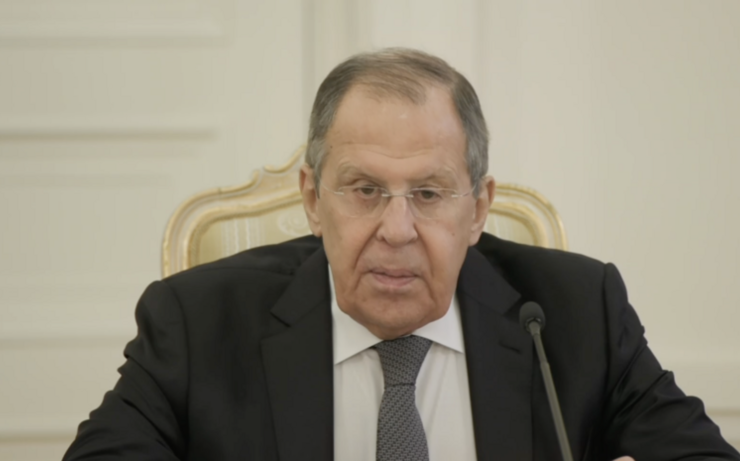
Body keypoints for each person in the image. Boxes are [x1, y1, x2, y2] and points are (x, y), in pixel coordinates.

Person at [63, 48, 739, 461]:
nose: (396, 229)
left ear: (478, 208)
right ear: (312, 198)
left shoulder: (576, 314)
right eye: (364, 190)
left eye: (428, 193)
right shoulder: (197, 321)